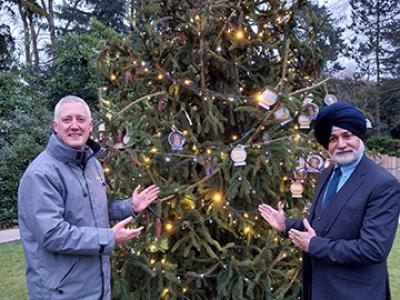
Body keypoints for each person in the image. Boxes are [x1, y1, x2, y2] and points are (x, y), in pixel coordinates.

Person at [18, 95, 160, 300]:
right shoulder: (41, 174)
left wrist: (131, 206)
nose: (74, 126)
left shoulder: (92, 164)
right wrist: (109, 238)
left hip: (97, 288)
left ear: (90, 126)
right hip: (61, 293)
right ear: (55, 126)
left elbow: (95, 208)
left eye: (80, 119)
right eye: (67, 120)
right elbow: (52, 234)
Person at [258, 102, 400, 300]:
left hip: (357, 293)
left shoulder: (382, 184)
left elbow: (373, 249)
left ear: (359, 136)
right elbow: (323, 225)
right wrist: (285, 225)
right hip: (319, 288)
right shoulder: (327, 174)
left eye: (347, 135)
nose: (341, 144)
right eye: (333, 139)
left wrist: (315, 245)